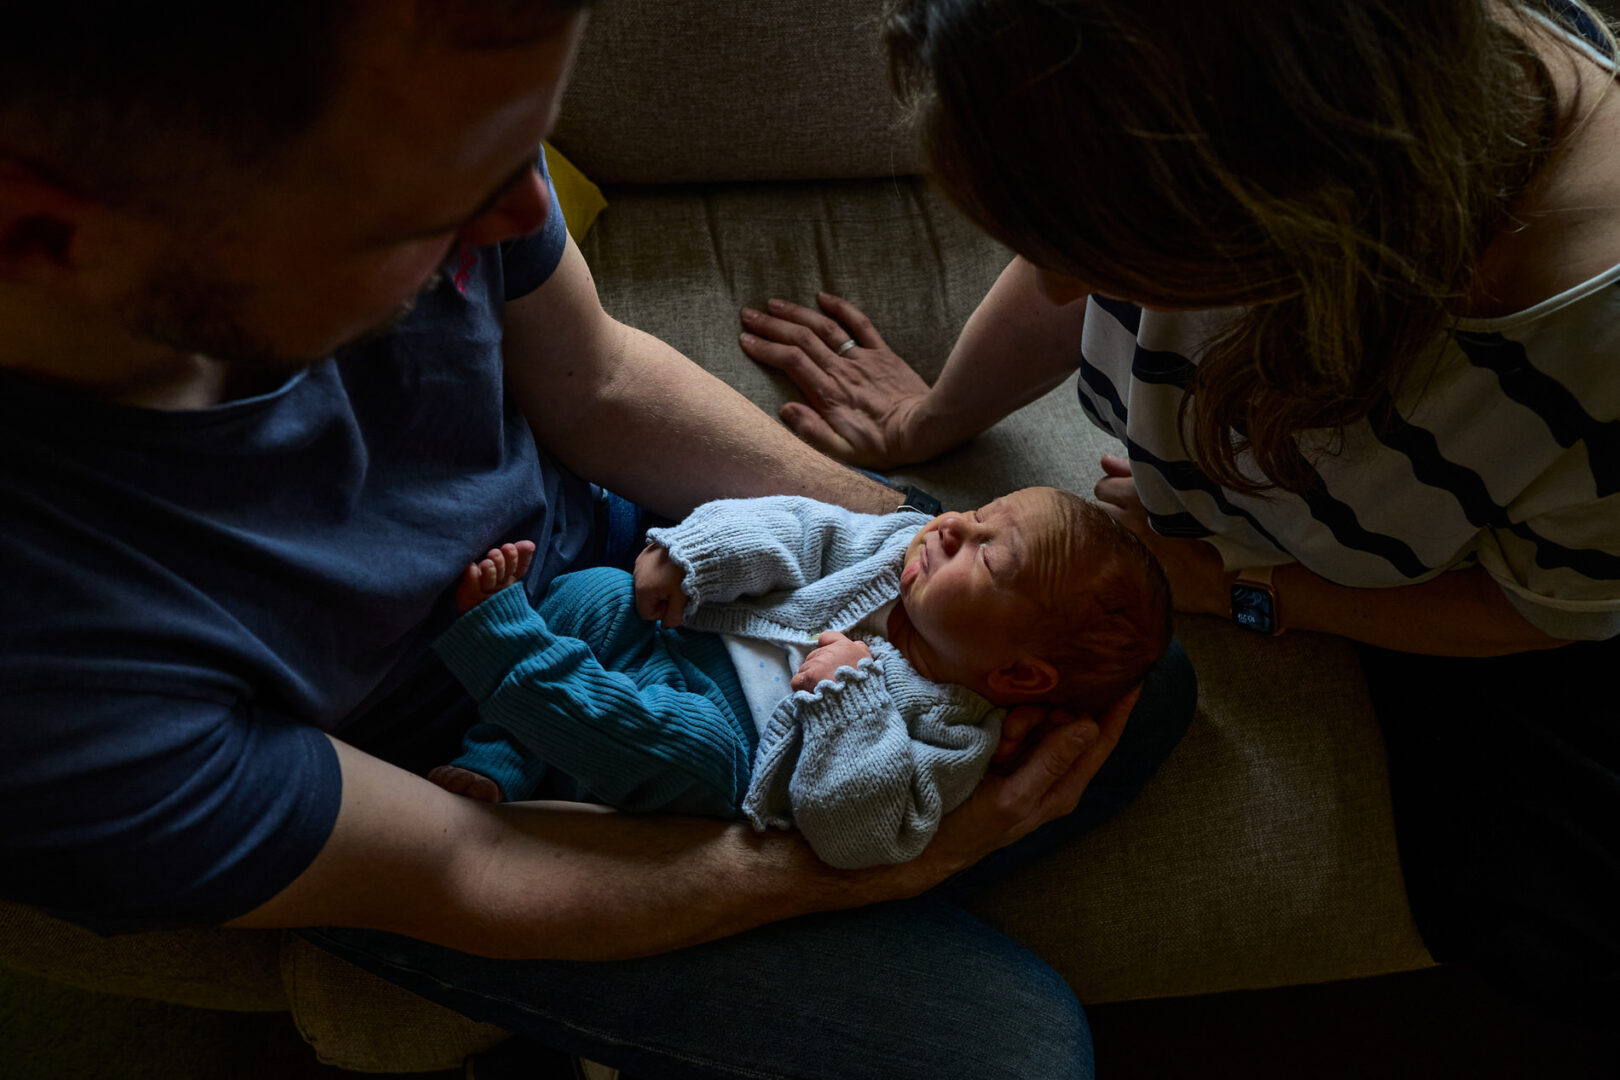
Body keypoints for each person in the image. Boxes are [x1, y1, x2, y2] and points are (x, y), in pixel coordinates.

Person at [0, 4, 1198, 1076]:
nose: (532, 215)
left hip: (625, 575)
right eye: (433, 200)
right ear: (51, 240)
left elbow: (606, 380)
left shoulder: (420, 88)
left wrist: (891, 541)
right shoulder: (52, 680)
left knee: (1134, 681)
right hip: (447, 781)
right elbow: (463, 866)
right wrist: (873, 863)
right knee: (1014, 1050)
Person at [739, 0, 1620, 1025]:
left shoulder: (1585, 353)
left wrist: (1240, 588)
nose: (1063, 288)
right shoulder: (1186, 102)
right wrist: (929, 416)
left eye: (1096, 251)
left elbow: (1543, 608)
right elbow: (1066, 255)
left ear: (1284, 214)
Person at [428, 488, 1172, 869]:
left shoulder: (954, 736)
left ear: (1016, 670)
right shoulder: (891, 550)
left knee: (683, 747)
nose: (951, 528)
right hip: (686, 636)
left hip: (731, 753)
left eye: (986, 555)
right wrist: (695, 555)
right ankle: (499, 759)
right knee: (596, 594)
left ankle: (507, 657)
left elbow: (859, 832)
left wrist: (850, 698)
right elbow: (797, 526)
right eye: (977, 514)